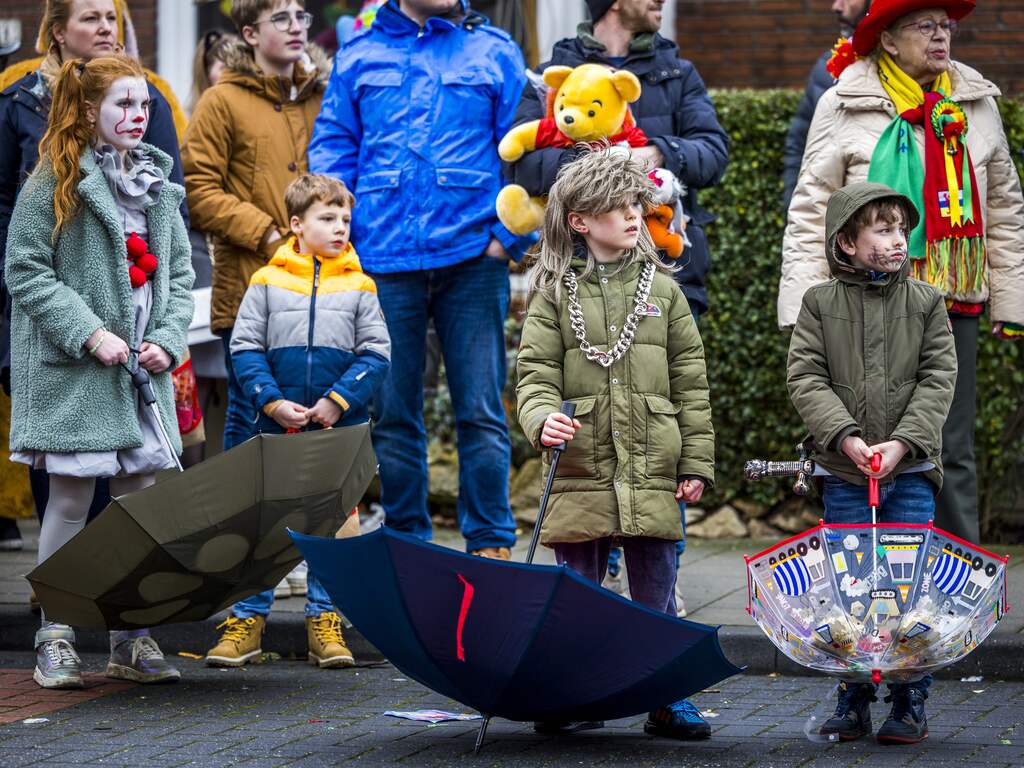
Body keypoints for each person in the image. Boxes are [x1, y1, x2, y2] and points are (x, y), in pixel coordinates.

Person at [778, 0, 1024, 544]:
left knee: (948, 446)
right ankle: (866, 575)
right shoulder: (843, 101)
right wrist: (802, 304)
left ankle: (960, 588)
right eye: (925, 27)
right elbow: (812, 205)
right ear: (888, 39)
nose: (942, 37)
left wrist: (1013, 302)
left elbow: (1004, 205)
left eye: (947, 27)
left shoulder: (975, 101)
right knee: (859, 443)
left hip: (950, 296)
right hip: (859, 301)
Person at [309, 0, 530, 559]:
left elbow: (529, 151)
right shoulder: (359, 55)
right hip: (383, 258)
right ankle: (409, 544)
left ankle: (491, 544)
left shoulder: (495, 50)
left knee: (480, 408)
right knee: (392, 412)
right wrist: (344, 236)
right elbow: (334, 148)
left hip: (473, 257)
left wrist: (509, 239)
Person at [5, 55, 194, 689]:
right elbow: (25, 270)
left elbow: (178, 278)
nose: (137, 116)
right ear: (88, 111)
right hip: (79, 372)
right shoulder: (53, 181)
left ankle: (130, 634)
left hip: (143, 372)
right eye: (121, 104)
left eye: (143, 105)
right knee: (70, 498)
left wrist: (166, 341)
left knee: (139, 504)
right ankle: (55, 633)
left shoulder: (159, 188)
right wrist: (90, 334)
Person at [516, 148, 715, 740]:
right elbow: (534, 375)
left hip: (654, 463)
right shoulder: (553, 291)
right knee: (577, 593)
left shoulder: (666, 291)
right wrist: (540, 419)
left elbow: (691, 381)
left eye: (636, 204)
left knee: (657, 589)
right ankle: (575, 690)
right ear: (579, 220)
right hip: (580, 465)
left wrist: (697, 460)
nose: (634, 215)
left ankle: (666, 695)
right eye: (618, 206)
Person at [787, 182, 956, 743]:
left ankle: (909, 701)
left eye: (901, 229)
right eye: (881, 229)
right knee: (850, 586)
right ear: (847, 244)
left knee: (909, 589)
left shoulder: (928, 302)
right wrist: (847, 438)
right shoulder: (819, 303)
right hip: (845, 472)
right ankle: (853, 695)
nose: (896, 239)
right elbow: (805, 378)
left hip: (908, 472)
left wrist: (903, 443)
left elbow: (937, 380)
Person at [205, 174, 390, 669]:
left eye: (345, 219)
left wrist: (337, 401)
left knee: (329, 524)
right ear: (296, 224)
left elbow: (375, 353)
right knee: (265, 525)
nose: (339, 228)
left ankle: (323, 624)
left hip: (334, 431)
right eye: (327, 219)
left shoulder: (360, 286)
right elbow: (244, 348)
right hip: (275, 428)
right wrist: (270, 401)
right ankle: (248, 621)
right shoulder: (267, 281)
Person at [506, 0, 728, 322]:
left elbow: (713, 152)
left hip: (666, 271)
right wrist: (600, 163)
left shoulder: (678, 72)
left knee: (670, 374)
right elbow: (519, 166)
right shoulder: (553, 76)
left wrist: (656, 153)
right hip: (576, 271)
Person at [181, 0, 328, 454]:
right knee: (251, 414)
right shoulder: (220, 100)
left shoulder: (326, 96)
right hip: (249, 289)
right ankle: (243, 525)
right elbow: (197, 188)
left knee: (315, 417)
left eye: (301, 17)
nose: (295, 27)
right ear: (249, 34)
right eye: (280, 19)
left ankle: (303, 524)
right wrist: (267, 234)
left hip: (326, 287)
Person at [782, 0, 870, 210]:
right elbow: (799, 144)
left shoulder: (919, 70)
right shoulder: (826, 68)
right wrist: (794, 204)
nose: (836, 6)